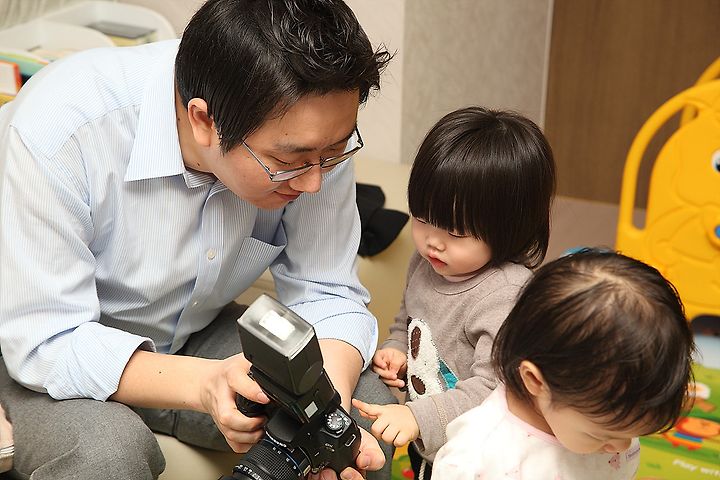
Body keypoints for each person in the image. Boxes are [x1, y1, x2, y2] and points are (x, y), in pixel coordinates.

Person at [0, 0, 398, 478]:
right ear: (203, 120)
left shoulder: (313, 140)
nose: (314, 182)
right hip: (45, 344)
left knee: (363, 418)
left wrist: (319, 416)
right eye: (287, 162)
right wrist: (204, 384)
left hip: (194, 331)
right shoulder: (63, 130)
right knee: (105, 454)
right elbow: (47, 341)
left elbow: (328, 291)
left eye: (334, 151)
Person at [352, 107, 556, 479]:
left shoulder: (505, 296)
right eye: (422, 219)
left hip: (480, 455)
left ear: (510, 228)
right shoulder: (426, 261)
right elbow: (407, 318)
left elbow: (496, 391)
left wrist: (417, 417)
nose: (433, 242)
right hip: (432, 441)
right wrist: (396, 348)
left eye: (456, 233)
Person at [432, 248, 695, 479]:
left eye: (633, 432)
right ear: (535, 381)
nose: (622, 447)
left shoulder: (612, 412)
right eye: (600, 436)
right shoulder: (476, 459)